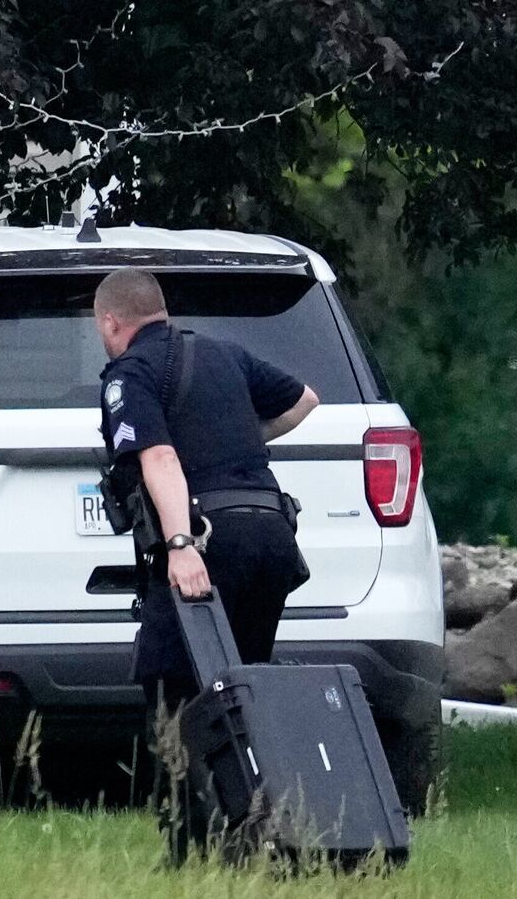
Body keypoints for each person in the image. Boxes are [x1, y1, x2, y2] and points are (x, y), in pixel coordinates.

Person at [95, 267, 317, 843]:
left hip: (211, 540)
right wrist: (236, 437)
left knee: (170, 686)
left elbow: (161, 460)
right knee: (243, 686)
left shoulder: (131, 372)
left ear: (111, 322)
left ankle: (189, 847)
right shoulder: (225, 354)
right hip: (270, 534)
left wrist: (179, 545)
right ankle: (264, 831)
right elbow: (304, 400)